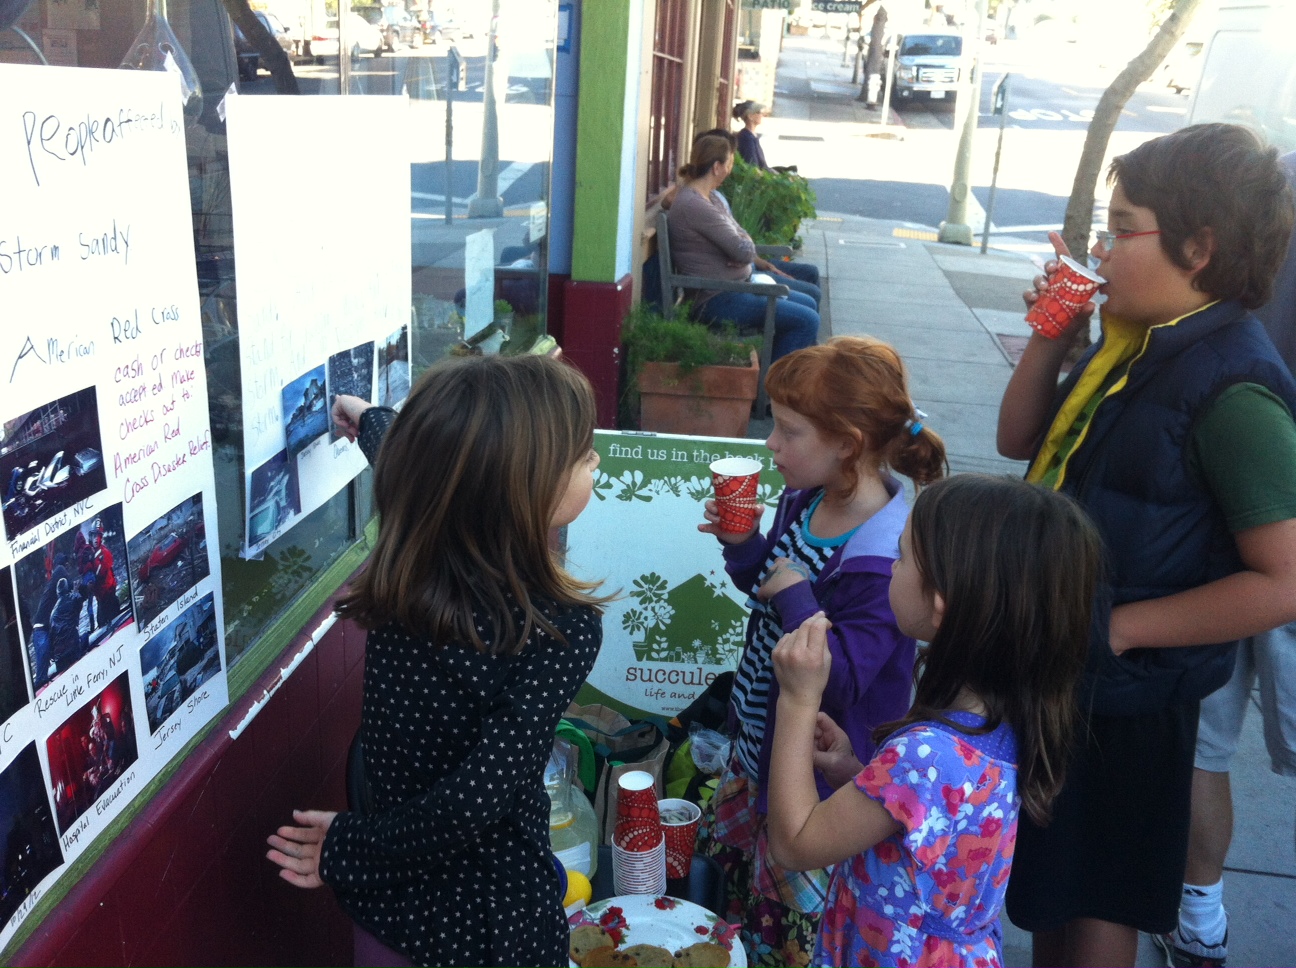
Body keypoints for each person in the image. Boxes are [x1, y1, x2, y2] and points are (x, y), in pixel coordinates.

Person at [996, 123, 1296, 968]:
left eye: (1121, 228)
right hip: (1071, 672)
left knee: (1100, 904)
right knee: (1049, 890)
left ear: (1198, 248)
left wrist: (1121, 630)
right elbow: (1019, 438)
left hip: (1129, 700)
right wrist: (1053, 332)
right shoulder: (1136, 344)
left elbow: (1284, 580)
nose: (1100, 248)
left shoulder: (1235, 389)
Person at [265, 354, 609, 968]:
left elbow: (421, 467)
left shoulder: (416, 562)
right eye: (583, 455)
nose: (596, 461)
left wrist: (373, 419)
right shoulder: (558, 628)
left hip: (392, 911)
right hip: (492, 924)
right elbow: (476, 798)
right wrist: (350, 849)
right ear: (525, 487)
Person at [767, 474, 1101, 968]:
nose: (892, 566)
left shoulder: (926, 753)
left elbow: (794, 844)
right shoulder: (1008, 718)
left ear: (941, 604)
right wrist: (857, 774)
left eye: (901, 557)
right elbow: (929, 824)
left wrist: (797, 700)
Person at [696, 337, 947, 967]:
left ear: (847, 444)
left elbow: (840, 679)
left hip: (816, 777)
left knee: (787, 931)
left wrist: (795, 595)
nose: (770, 444)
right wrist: (744, 545)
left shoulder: (882, 555)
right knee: (740, 899)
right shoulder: (805, 498)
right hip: (761, 743)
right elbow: (770, 586)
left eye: (789, 430)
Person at [1161, 148, 1296, 968]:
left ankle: (1201, 909)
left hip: (1227, 525)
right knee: (1202, 744)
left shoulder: (1260, 183)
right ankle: (1199, 910)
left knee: (1203, 745)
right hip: (1230, 514)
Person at [668, 135, 821, 363]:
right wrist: (740, 250)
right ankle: (775, 384)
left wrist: (741, 247)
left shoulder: (711, 199)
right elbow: (744, 250)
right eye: (729, 164)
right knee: (807, 319)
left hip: (737, 287)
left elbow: (742, 239)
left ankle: (788, 376)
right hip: (717, 298)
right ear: (716, 167)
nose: (729, 170)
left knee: (808, 304)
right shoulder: (695, 205)